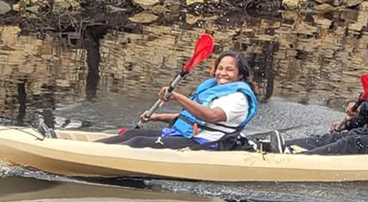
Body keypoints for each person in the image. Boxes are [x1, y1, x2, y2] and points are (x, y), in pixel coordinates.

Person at [98, 52, 258, 149]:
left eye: (229, 70)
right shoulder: (213, 88)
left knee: (138, 142)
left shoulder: (239, 98)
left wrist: (177, 96)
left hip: (207, 144)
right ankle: (90, 149)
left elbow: (211, 116)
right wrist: (157, 117)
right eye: (220, 68)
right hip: (185, 135)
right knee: (133, 133)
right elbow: (191, 118)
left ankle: (92, 156)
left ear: (240, 75)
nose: (222, 73)